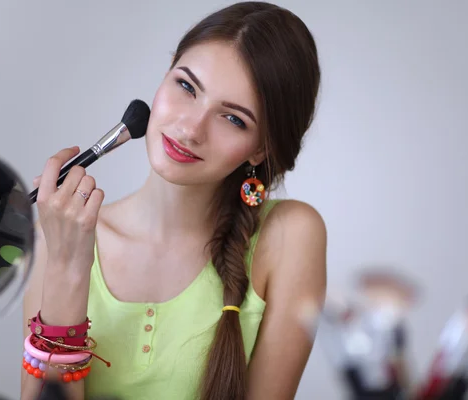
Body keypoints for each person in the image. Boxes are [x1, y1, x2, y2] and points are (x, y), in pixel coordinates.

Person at [20, 2, 326, 399]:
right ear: (165, 76)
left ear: (261, 149)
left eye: (233, 118)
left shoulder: (289, 237)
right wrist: (67, 267)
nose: (190, 128)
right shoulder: (59, 236)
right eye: (186, 86)